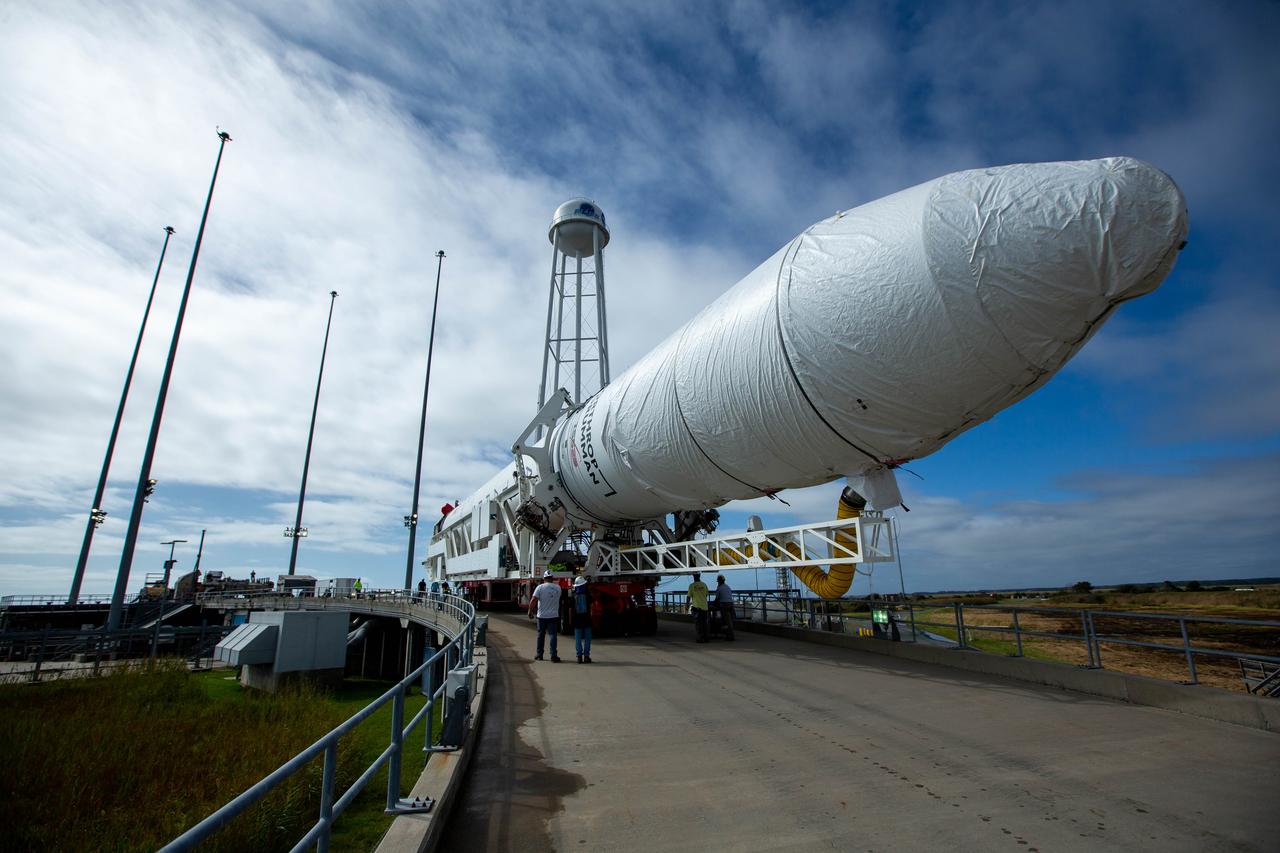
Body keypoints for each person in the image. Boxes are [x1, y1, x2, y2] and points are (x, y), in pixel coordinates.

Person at [527, 571, 563, 661]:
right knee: (553, 635)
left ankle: (539, 655)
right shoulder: (558, 588)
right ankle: (553, 656)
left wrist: (530, 611)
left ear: (544, 578)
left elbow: (533, 600)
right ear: (552, 578)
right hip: (554, 616)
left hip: (542, 616)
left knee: (540, 635)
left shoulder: (540, 587)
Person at [571, 575, 594, 663]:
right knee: (587, 638)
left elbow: (571, 609)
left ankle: (579, 656)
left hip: (577, 620)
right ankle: (587, 656)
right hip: (587, 619)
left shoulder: (573, 596)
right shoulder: (588, 595)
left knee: (578, 638)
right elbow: (591, 607)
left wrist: (570, 620)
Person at [688, 572, 710, 643]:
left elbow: (689, 596)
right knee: (704, 624)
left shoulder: (691, 586)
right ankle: (706, 638)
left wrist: (686, 605)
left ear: (693, 576)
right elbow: (706, 595)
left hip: (696, 608)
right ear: (699, 576)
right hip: (705, 607)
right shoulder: (704, 585)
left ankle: (700, 638)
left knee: (698, 624)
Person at [713, 574, 735, 641]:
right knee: (730, 621)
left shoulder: (719, 588)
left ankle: (730, 636)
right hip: (731, 604)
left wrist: (713, 605)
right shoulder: (727, 587)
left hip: (725, 605)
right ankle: (730, 635)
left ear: (719, 581)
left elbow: (717, 599)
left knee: (726, 621)